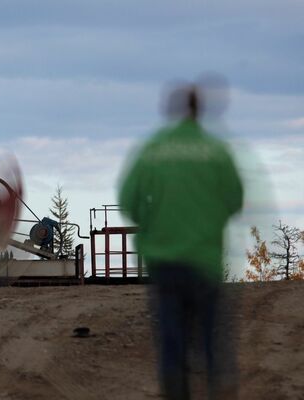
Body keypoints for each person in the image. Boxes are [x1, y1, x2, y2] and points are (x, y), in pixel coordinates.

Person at [118, 83, 243, 399]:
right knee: (211, 337)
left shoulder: (153, 148)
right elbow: (236, 199)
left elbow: (127, 199)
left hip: (164, 260)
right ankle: (218, 384)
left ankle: (176, 390)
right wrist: (208, 220)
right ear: (200, 110)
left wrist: (151, 222)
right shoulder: (216, 149)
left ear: (171, 110)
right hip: (205, 259)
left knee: (171, 340)